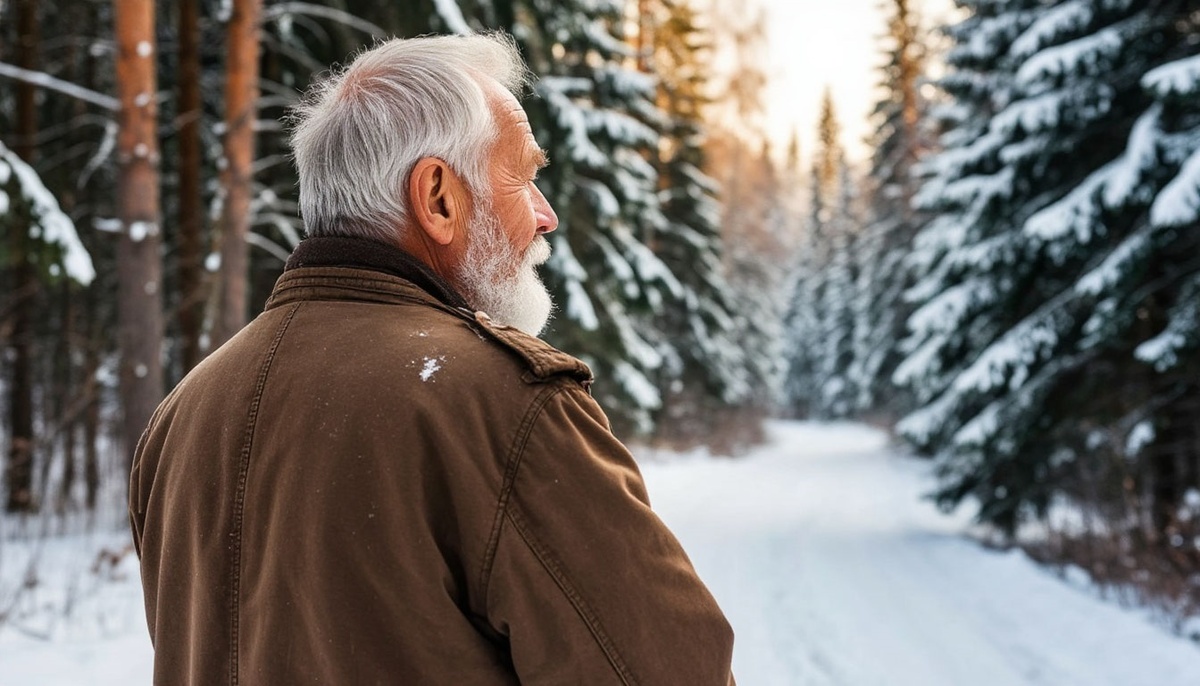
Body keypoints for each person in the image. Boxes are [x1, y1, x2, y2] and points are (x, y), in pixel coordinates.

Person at [129, 33, 735, 685]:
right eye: (525, 177)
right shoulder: (501, 403)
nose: (546, 215)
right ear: (439, 198)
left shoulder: (181, 415)